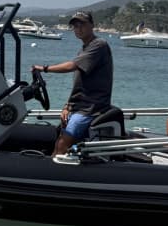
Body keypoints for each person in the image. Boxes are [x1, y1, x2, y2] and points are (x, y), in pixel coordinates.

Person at [31, 10, 114, 155]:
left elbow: (71, 66)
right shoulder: (84, 49)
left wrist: (44, 68)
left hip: (90, 108)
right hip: (79, 106)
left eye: (82, 24)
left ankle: (54, 173)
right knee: (59, 141)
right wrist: (68, 105)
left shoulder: (99, 45)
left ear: (92, 25)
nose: (78, 28)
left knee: (63, 143)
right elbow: (80, 84)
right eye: (75, 26)